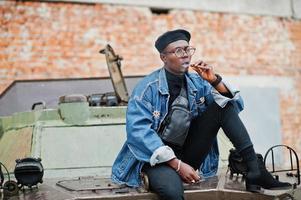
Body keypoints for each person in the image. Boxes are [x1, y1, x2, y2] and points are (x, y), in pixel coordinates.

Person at [111, 29, 291, 199]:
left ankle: (254, 170)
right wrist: (178, 165)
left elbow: (234, 108)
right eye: (178, 51)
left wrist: (214, 80)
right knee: (172, 191)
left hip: (189, 152)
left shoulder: (198, 82)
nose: (186, 54)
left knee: (223, 105)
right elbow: (138, 133)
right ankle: (170, 175)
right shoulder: (146, 89)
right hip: (156, 160)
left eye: (188, 49)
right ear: (163, 57)